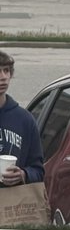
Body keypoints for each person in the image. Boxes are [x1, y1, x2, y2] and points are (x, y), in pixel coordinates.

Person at [0, 51, 45, 186]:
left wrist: (23, 174)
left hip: (12, 203)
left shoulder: (25, 120)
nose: (3, 77)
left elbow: (38, 170)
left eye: (6, 71)